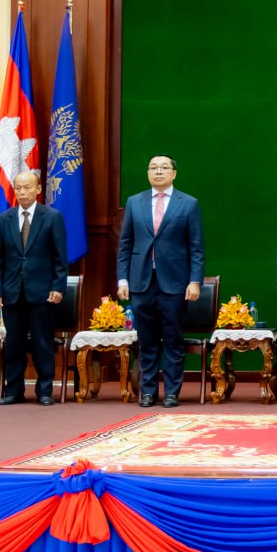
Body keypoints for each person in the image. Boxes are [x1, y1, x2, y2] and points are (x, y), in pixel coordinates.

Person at [117, 154, 205, 408]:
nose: (158, 172)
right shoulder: (135, 202)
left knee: (173, 340)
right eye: (153, 168)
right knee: (146, 341)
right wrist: (123, 279)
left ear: (174, 173)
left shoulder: (188, 204)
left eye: (164, 168)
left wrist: (195, 281)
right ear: (147, 173)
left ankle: (172, 392)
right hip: (141, 281)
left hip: (175, 283)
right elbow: (125, 244)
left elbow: (196, 247)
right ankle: (148, 392)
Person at [0, 172, 68, 406]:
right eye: (18, 188)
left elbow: (60, 257)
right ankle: (14, 390)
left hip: (42, 293)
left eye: (27, 188)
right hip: (12, 292)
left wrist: (58, 286)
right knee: (14, 344)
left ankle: (44, 391)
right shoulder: (3, 219)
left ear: (38, 189)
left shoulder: (52, 217)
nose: (22, 192)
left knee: (42, 343)